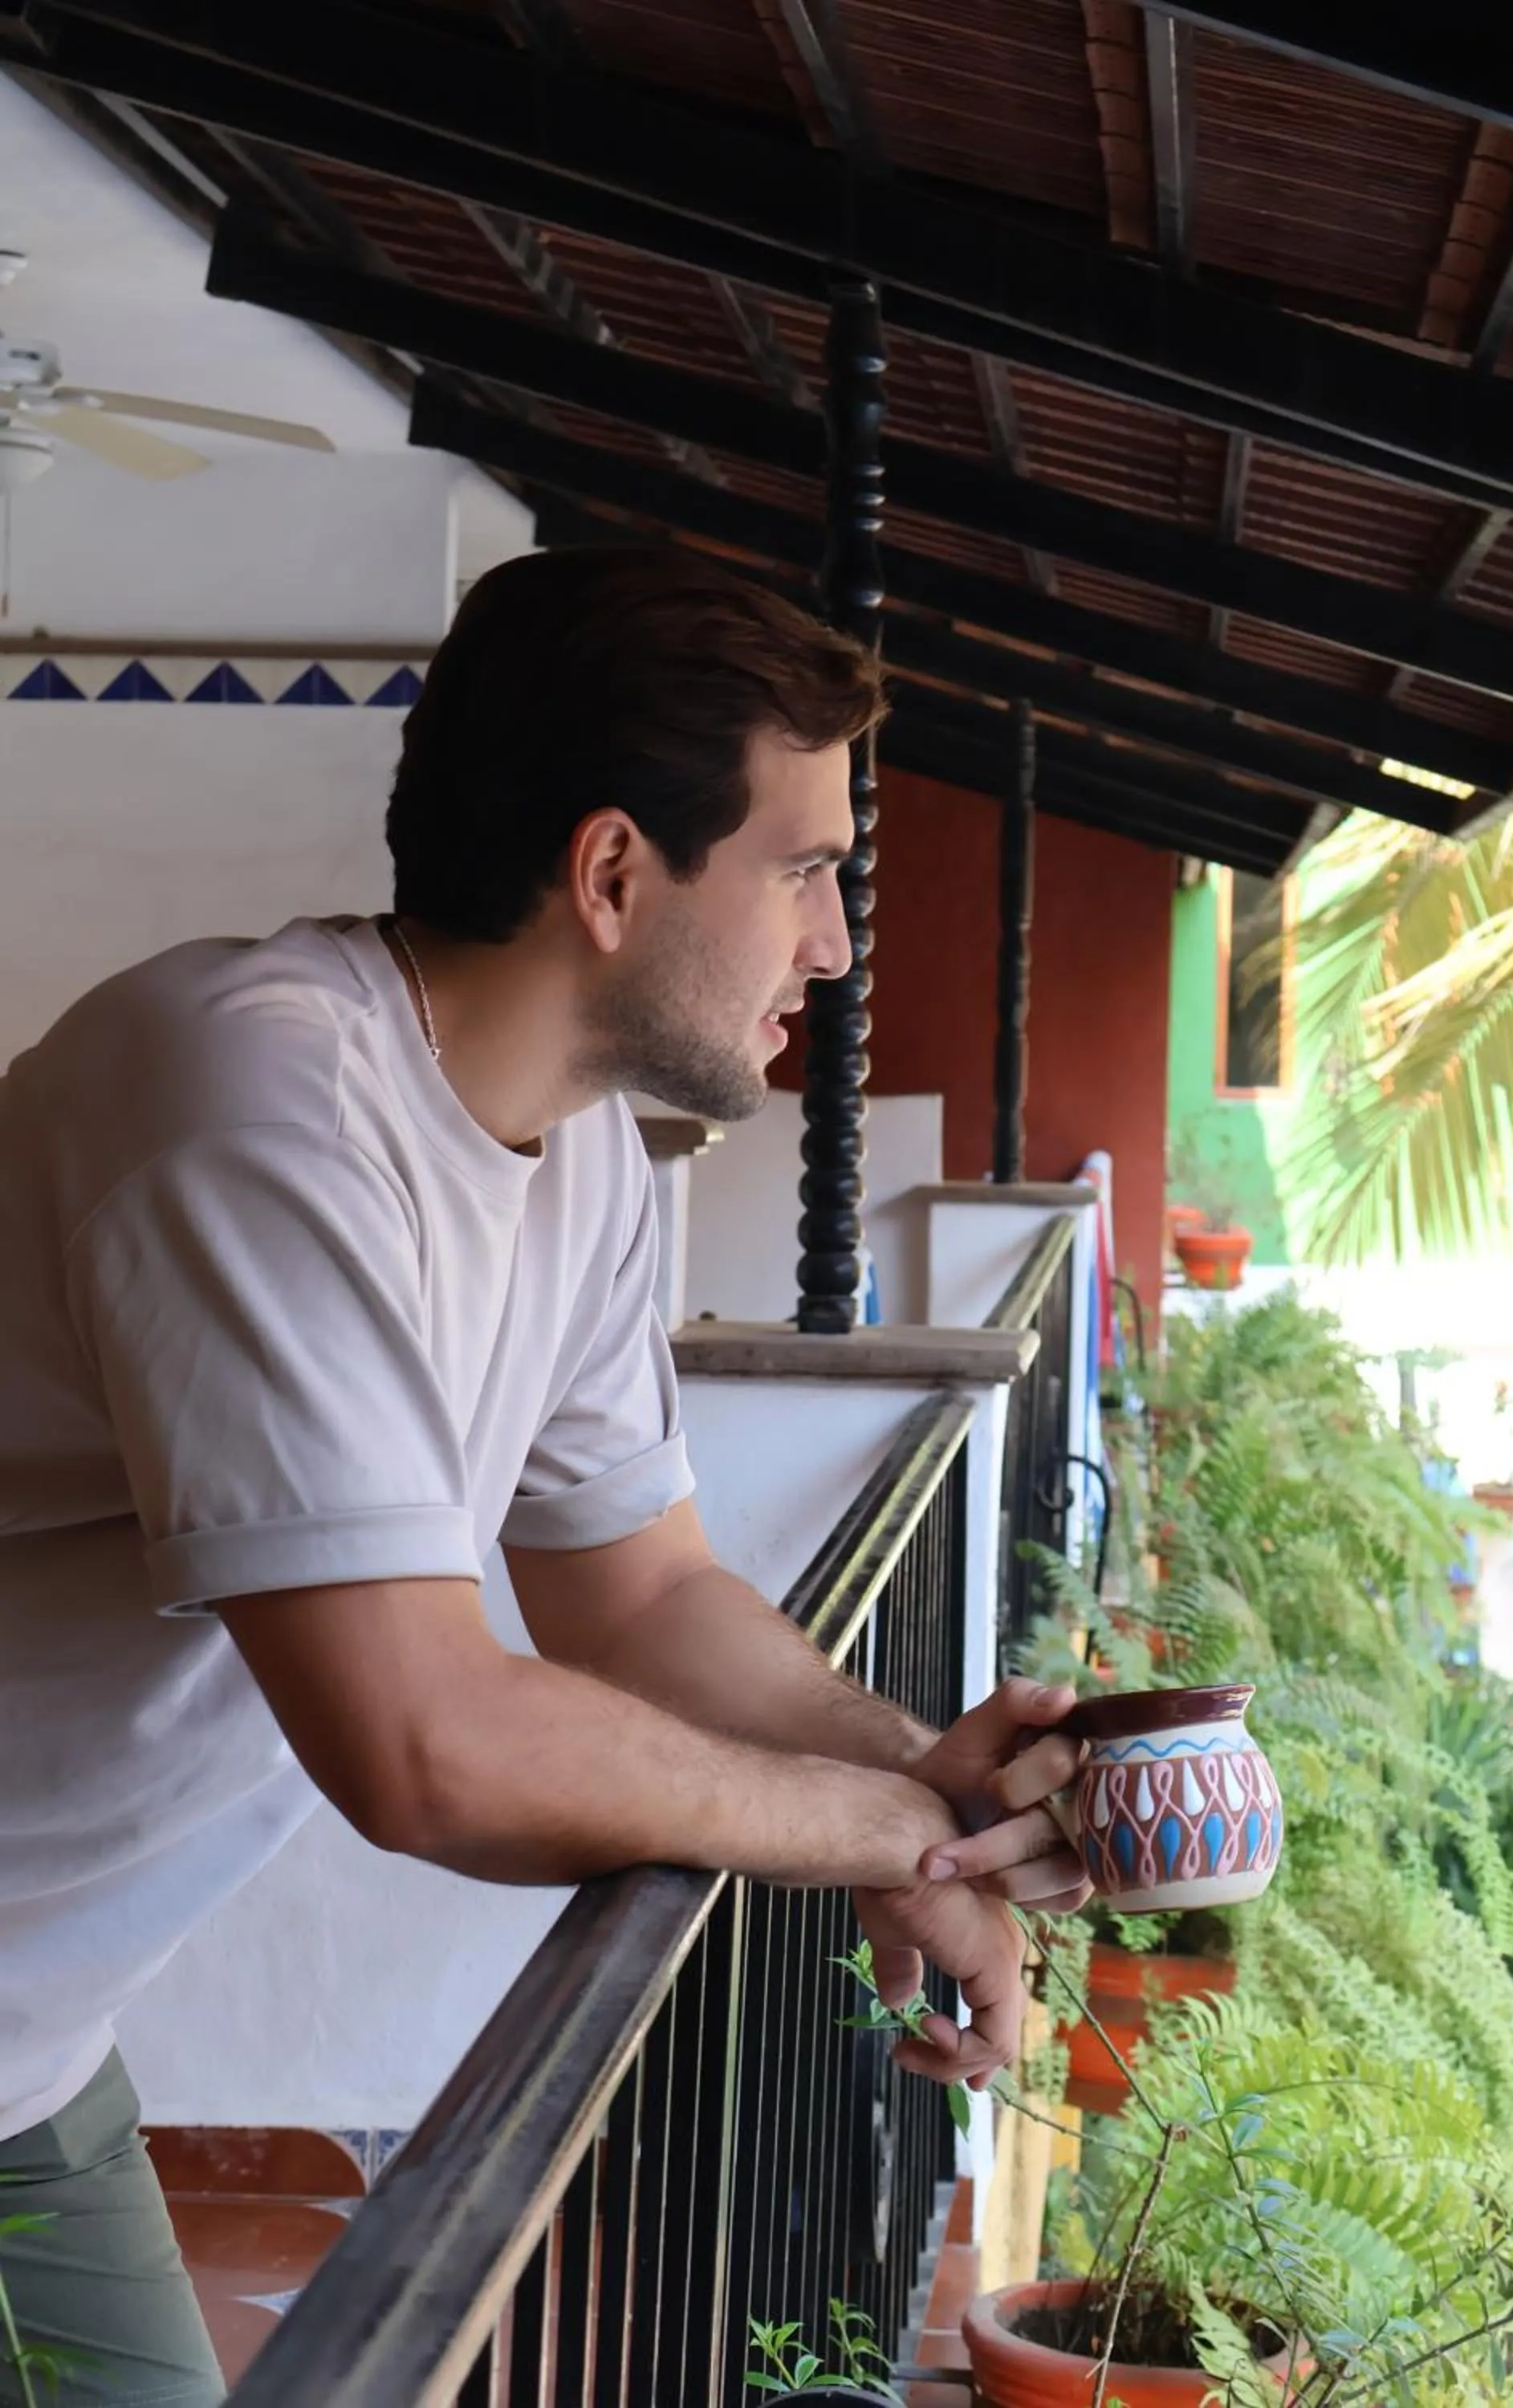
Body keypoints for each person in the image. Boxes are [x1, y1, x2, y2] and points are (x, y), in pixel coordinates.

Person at [0, 549, 1086, 2406]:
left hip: (29, 2029)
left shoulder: (573, 1159)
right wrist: (879, 1843)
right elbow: (424, 1744)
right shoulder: (256, 1113)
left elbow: (642, 1594)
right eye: (807, 871)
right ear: (608, 875)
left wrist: (923, 1783)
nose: (831, 948)